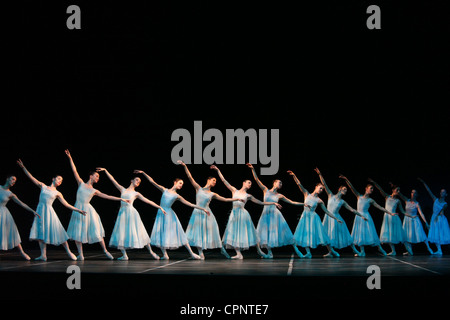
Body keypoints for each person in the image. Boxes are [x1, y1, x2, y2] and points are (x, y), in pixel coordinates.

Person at [65, 150, 131, 260]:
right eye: (96, 176)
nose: (98, 178)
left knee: (96, 230)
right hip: (77, 209)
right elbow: (74, 170)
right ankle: (81, 254)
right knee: (77, 232)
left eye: (98, 177)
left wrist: (121, 198)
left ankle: (105, 251)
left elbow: (107, 196)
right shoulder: (81, 183)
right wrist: (70, 158)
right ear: (91, 176)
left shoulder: (94, 190)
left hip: (88, 210)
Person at [17, 159, 85, 261]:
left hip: (49, 213)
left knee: (59, 231)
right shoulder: (43, 186)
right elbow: (31, 178)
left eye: (61, 180)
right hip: (40, 212)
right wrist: (23, 168)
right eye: (58, 179)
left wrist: (78, 210)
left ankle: (69, 251)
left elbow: (66, 204)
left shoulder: (58, 193)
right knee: (40, 233)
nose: (60, 181)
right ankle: (43, 255)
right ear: (53, 179)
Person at [211, 165, 281, 259]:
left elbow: (260, 202)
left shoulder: (248, 196)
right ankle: (239, 254)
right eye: (249, 183)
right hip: (234, 214)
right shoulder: (234, 190)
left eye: (251, 184)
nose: (250, 184)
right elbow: (224, 181)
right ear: (243, 183)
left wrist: (273, 203)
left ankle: (260, 251)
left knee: (250, 233)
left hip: (243, 214)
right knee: (234, 233)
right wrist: (218, 170)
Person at [178, 160, 244, 259]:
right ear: (209, 180)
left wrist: (236, 198)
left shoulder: (212, 194)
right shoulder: (198, 188)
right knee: (198, 233)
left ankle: (221, 249)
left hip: (207, 213)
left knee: (214, 231)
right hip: (197, 212)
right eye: (214, 180)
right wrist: (184, 166)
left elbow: (225, 199)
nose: (215, 182)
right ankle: (201, 253)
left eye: (216, 182)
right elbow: (189, 177)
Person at [135, 170, 208, 260]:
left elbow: (190, 204)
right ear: (175, 182)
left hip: (170, 215)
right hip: (161, 213)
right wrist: (143, 173)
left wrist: (202, 208)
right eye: (180, 183)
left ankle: (192, 253)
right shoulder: (164, 190)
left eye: (182, 184)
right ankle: (165, 254)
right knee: (161, 233)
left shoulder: (177, 196)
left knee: (180, 233)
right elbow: (152, 181)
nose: (181, 185)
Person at [96, 168, 165, 261]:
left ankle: (151, 252)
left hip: (132, 213)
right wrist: (105, 170)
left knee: (140, 232)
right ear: (131, 180)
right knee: (121, 233)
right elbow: (112, 180)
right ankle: (124, 255)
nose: (138, 182)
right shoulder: (123, 190)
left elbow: (148, 201)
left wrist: (159, 207)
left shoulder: (136, 193)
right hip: (122, 214)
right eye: (137, 180)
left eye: (139, 181)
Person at [247, 163, 308, 258]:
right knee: (265, 234)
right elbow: (256, 180)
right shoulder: (265, 190)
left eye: (281, 183)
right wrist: (253, 169)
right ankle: (270, 253)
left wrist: (303, 203)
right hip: (266, 214)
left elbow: (291, 202)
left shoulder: (279, 195)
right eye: (279, 182)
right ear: (274, 183)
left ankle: (298, 252)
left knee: (286, 233)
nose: (281, 184)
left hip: (275, 215)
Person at [288, 170, 343, 258]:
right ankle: (308, 252)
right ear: (316, 187)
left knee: (322, 235)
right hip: (305, 216)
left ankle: (331, 250)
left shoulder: (319, 200)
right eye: (320, 188)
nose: (321, 190)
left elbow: (327, 211)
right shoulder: (307, 194)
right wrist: (294, 175)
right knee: (305, 234)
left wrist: (336, 218)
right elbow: (299, 184)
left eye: (322, 189)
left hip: (313, 218)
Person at [314, 168, 366, 256]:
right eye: (344, 189)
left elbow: (352, 209)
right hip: (328, 217)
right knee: (326, 235)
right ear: (340, 189)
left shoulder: (342, 202)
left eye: (346, 190)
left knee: (345, 235)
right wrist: (320, 174)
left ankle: (356, 251)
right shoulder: (330, 195)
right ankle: (330, 252)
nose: (346, 191)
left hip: (337, 218)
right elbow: (324, 184)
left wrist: (361, 215)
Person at [339, 175, 394, 256]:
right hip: (359, 216)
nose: (372, 190)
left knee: (371, 234)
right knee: (360, 234)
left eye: (372, 189)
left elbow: (379, 207)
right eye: (370, 188)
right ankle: (362, 252)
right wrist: (346, 179)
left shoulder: (370, 200)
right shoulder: (359, 196)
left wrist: (390, 213)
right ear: (366, 188)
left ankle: (381, 249)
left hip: (366, 217)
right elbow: (351, 188)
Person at [0, 174, 40, 260]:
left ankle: (22, 252)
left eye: (15, 181)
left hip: (3, 214)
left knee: (12, 232)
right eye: (12, 179)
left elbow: (22, 203)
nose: (14, 181)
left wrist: (32, 211)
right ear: (7, 179)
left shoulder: (10, 194)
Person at [369, 179, 412, 256]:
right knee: (389, 235)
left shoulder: (398, 201)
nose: (398, 191)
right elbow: (380, 189)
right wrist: (374, 183)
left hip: (394, 218)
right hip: (387, 217)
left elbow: (402, 211)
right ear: (393, 190)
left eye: (399, 190)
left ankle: (408, 250)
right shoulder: (387, 196)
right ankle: (393, 251)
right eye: (397, 190)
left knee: (400, 235)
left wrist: (410, 215)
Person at [418, 178, 450, 255]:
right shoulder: (435, 199)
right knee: (434, 234)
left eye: (444, 192)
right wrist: (424, 183)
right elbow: (429, 191)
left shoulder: (445, 203)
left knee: (440, 234)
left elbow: (442, 210)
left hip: (441, 219)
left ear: (446, 194)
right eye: (441, 192)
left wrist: (438, 215)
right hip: (434, 218)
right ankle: (439, 250)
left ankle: (440, 250)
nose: (442, 193)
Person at [398, 188, 433, 255]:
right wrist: (397, 190)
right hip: (407, 220)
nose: (413, 194)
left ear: (416, 195)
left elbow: (421, 214)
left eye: (414, 192)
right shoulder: (406, 200)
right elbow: (400, 194)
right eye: (412, 192)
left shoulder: (417, 203)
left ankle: (428, 248)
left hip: (415, 220)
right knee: (406, 235)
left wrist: (426, 222)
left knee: (421, 234)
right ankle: (409, 250)